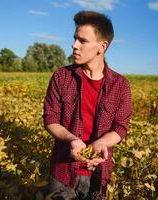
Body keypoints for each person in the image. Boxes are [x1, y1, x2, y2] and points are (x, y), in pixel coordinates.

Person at [40, 10, 132, 200]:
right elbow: (50, 119)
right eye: (75, 38)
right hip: (63, 172)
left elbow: (120, 128)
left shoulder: (120, 85)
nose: (74, 45)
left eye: (83, 41)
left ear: (102, 46)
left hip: (100, 176)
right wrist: (72, 139)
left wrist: (100, 143)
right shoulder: (62, 77)